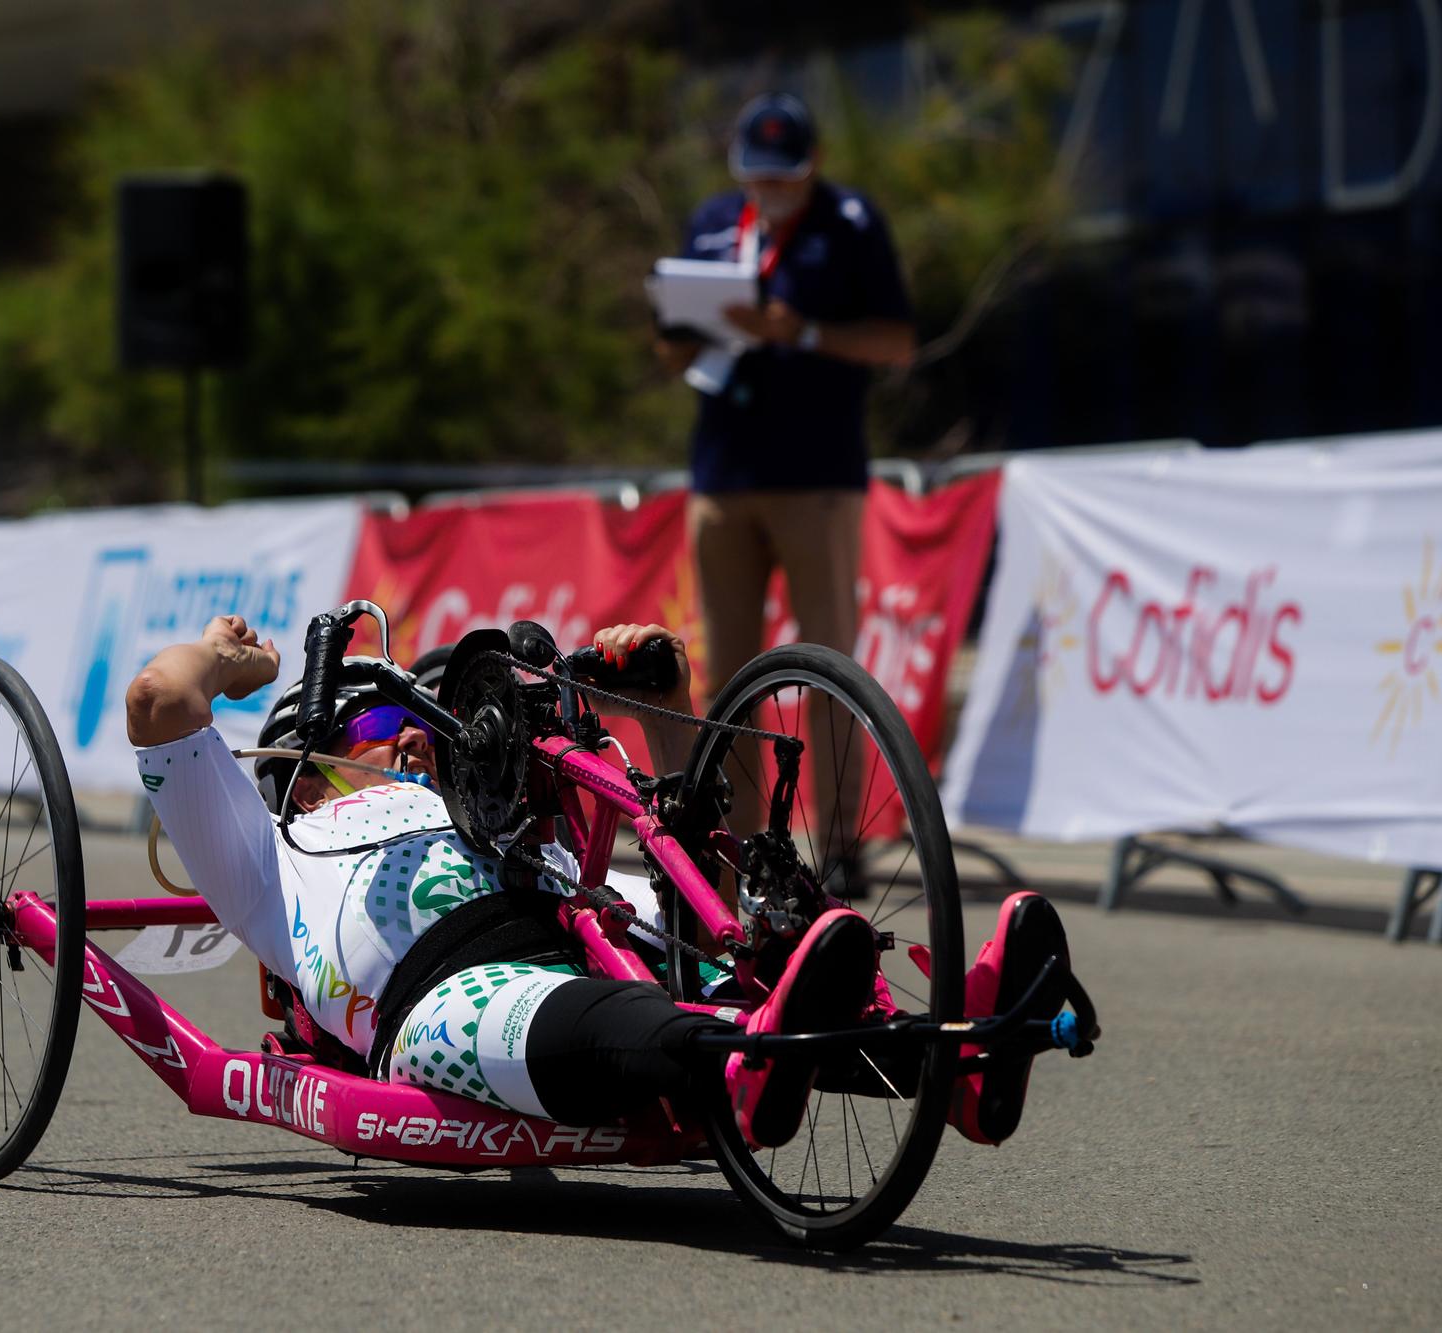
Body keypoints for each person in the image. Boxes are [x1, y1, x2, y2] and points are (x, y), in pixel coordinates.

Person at [125, 614, 1056, 1148]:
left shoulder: (484, 813)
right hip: (439, 1001)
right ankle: (742, 1056)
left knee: (715, 964)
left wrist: (665, 698)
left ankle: (958, 1060)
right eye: (369, 730)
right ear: (300, 764)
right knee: (587, 1010)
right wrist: (230, 659)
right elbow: (158, 701)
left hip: (574, 925)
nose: (409, 737)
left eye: (417, 722)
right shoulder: (266, 855)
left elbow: (694, 886)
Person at [657, 93, 916, 853]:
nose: (768, 194)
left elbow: (896, 340)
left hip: (818, 476)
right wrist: (686, 322)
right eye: (757, 179)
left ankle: (840, 843)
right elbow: (670, 352)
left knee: (831, 665)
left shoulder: (851, 225)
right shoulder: (711, 224)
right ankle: (734, 847)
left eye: (784, 179)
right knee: (727, 676)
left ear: (814, 169)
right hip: (723, 475)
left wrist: (798, 331)